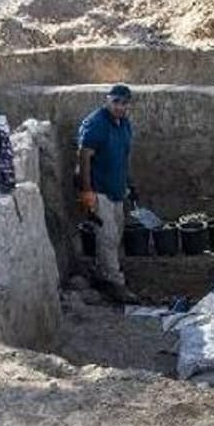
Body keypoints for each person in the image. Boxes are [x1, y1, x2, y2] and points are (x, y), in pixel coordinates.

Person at [77, 83, 139, 303]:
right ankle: (115, 284)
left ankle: (105, 274)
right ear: (107, 100)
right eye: (116, 102)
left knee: (116, 235)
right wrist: (87, 191)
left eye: (124, 103)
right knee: (107, 237)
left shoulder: (123, 124)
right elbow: (84, 156)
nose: (119, 107)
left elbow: (123, 157)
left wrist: (129, 184)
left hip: (116, 190)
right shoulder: (96, 124)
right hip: (99, 190)